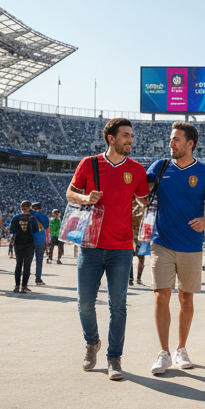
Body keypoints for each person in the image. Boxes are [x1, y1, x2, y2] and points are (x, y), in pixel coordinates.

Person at [66, 118, 149, 381]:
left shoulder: (136, 170)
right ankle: (92, 343)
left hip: (121, 248)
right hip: (90, 246)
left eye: (132, 136)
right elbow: (70, 193)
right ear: (111, 138)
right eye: (126, 135)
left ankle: (115, 358)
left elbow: (146, 201)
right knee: (85, 305)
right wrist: (84, 198)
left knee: (119, 306)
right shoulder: (89, 163)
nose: (130, 140)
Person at [145, 123, 205, 375]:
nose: (171, 144)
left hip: (191, 245)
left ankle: (181, 348)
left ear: (190, 144)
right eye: (171, 139)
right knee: (161, 296)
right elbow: (142, 192)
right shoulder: (160, 166)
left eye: (176, 140)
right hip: (161, 242)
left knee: (186, 297)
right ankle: (164, 352)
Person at [6, 200, 38, 293]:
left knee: (23, 265)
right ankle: (20, 285)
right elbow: (36, 231)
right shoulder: (32, 218)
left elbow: (12, 230)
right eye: (24, 209)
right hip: (22, 243)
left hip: (26, 244)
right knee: (21, 265)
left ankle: (21, 285)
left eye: (26, 209)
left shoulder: (18, 218)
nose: (25, 211)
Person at [30, 201, 49, 285]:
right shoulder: (43, 216)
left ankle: (25, 280)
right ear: (40, 209)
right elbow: (46, 226)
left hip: (29, 240)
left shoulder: (28, 216)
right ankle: (38, 279)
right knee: (39, 260)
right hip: (40, 240)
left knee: (27, 260)